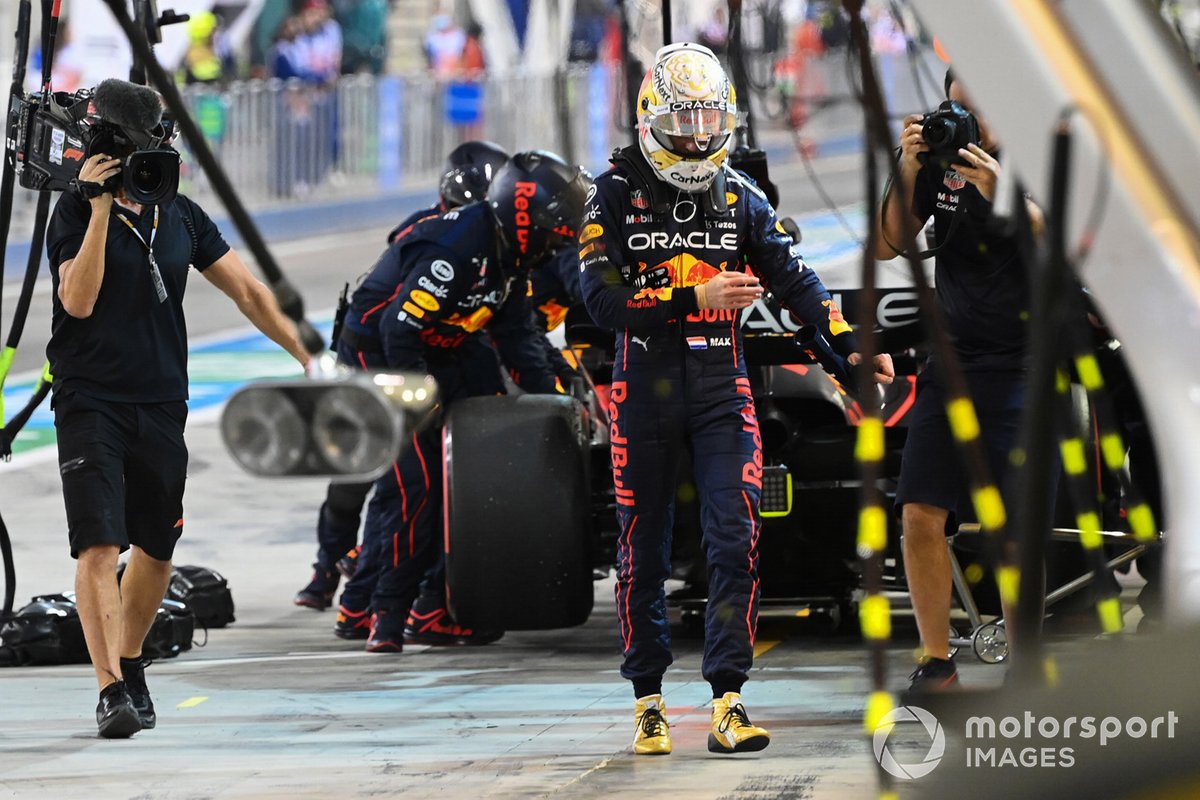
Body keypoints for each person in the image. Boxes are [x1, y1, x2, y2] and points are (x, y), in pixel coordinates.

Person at [579, 43, 893, 756]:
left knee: (735, 541)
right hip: (645, 391)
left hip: (724, 389)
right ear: (654, 120)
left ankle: (728, 699)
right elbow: (602, 301)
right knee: (644, 552)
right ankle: (649, 700)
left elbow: (799, 284)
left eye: (709, 120)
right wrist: (696, 295)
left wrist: (851, 351)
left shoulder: (737, 196)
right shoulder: (614, 193)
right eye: (685, 122)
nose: (698, 137)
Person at [45, 80, 310, 738]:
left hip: (161, 399)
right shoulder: (72, 215)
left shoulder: (183, 216)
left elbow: (248, 290)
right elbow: (76, 301)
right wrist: (101, 208)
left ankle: (130, 660)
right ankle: (109, 689)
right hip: (90, 398)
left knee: (156, 550)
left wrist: (308, 353)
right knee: (99, 545)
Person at [338, 150, 589, 653]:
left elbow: (518, 338)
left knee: (470, 474)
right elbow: (397, 329)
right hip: (382, 355)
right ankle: (382, 614)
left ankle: (431, 605)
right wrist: (423, 407)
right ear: (527, 218)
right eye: (560, 222)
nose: (567, 233)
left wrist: (556, 407)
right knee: (420, 487)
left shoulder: (512, 258)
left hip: (440, 349)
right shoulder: (459, 250)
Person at [294, 142, 512, 647]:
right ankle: (339, 579)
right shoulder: (432, 237)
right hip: (380, 362)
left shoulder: (500, 248)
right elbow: (396, 324)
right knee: (377, 481)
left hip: (439, 360)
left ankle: (387, 600)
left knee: (429, 485)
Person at [876, 70, 1038, 694]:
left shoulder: (1038, 154)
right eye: (957, 107)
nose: (967, 123)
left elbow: (1068, 246)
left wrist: (1003, 197)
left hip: (1025, 362)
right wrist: (911, 166)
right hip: (953, 360)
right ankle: (937, 661)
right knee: (919, 512)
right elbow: (890, 246)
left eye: (978, 109)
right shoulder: (941, 160)